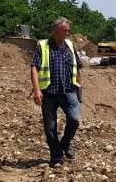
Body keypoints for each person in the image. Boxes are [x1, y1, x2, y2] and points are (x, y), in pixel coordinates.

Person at [30, 17, 82, 168]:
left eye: (68, 30)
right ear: (55, 30)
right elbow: (34, 67)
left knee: (75, 119)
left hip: (69, 91)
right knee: (50, 127)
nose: (68, 33)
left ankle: (65, 142)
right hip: (49, 93)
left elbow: (78, 68)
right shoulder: (43, 45)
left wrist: (80, 90)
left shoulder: (70, 45)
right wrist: (36, 89)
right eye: (64, 30)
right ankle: (56, 157)